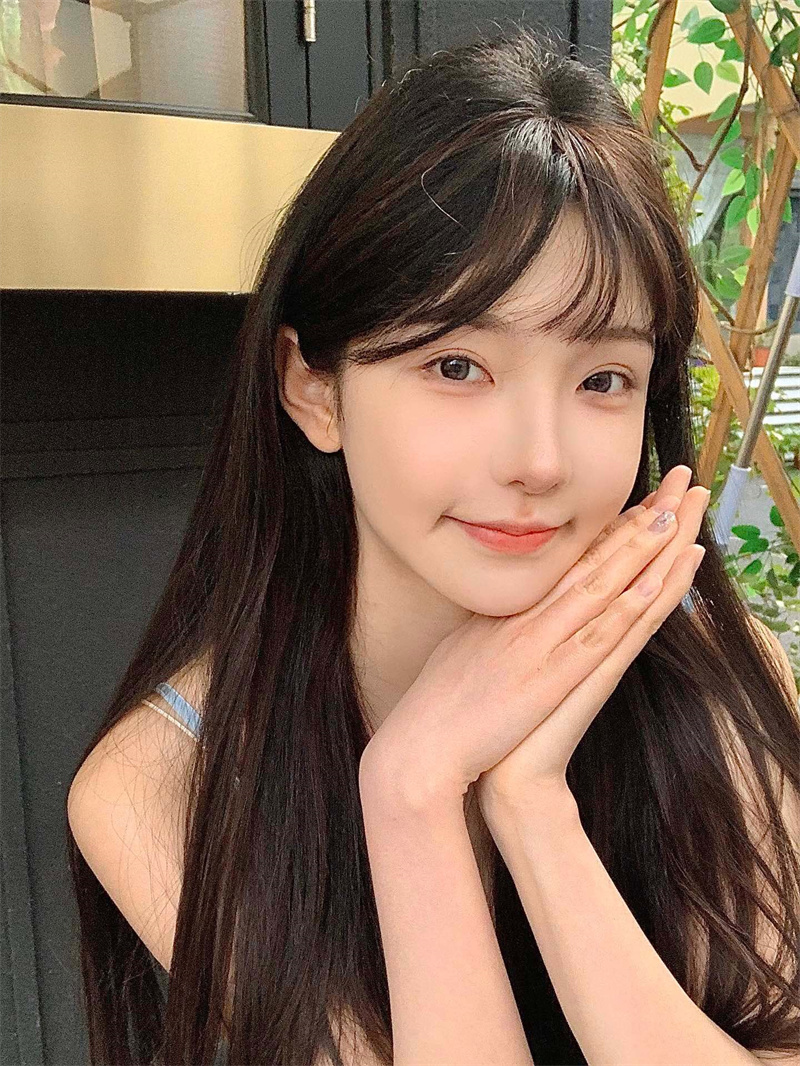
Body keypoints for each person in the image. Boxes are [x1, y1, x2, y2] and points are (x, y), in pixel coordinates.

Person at [65, 23, 800, 1066]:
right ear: (314, 388)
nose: (538, 460)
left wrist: (532, 810)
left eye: (603, 379)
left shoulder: (712, 673)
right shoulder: (165, 784)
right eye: (457, 367)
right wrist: (411, 793)